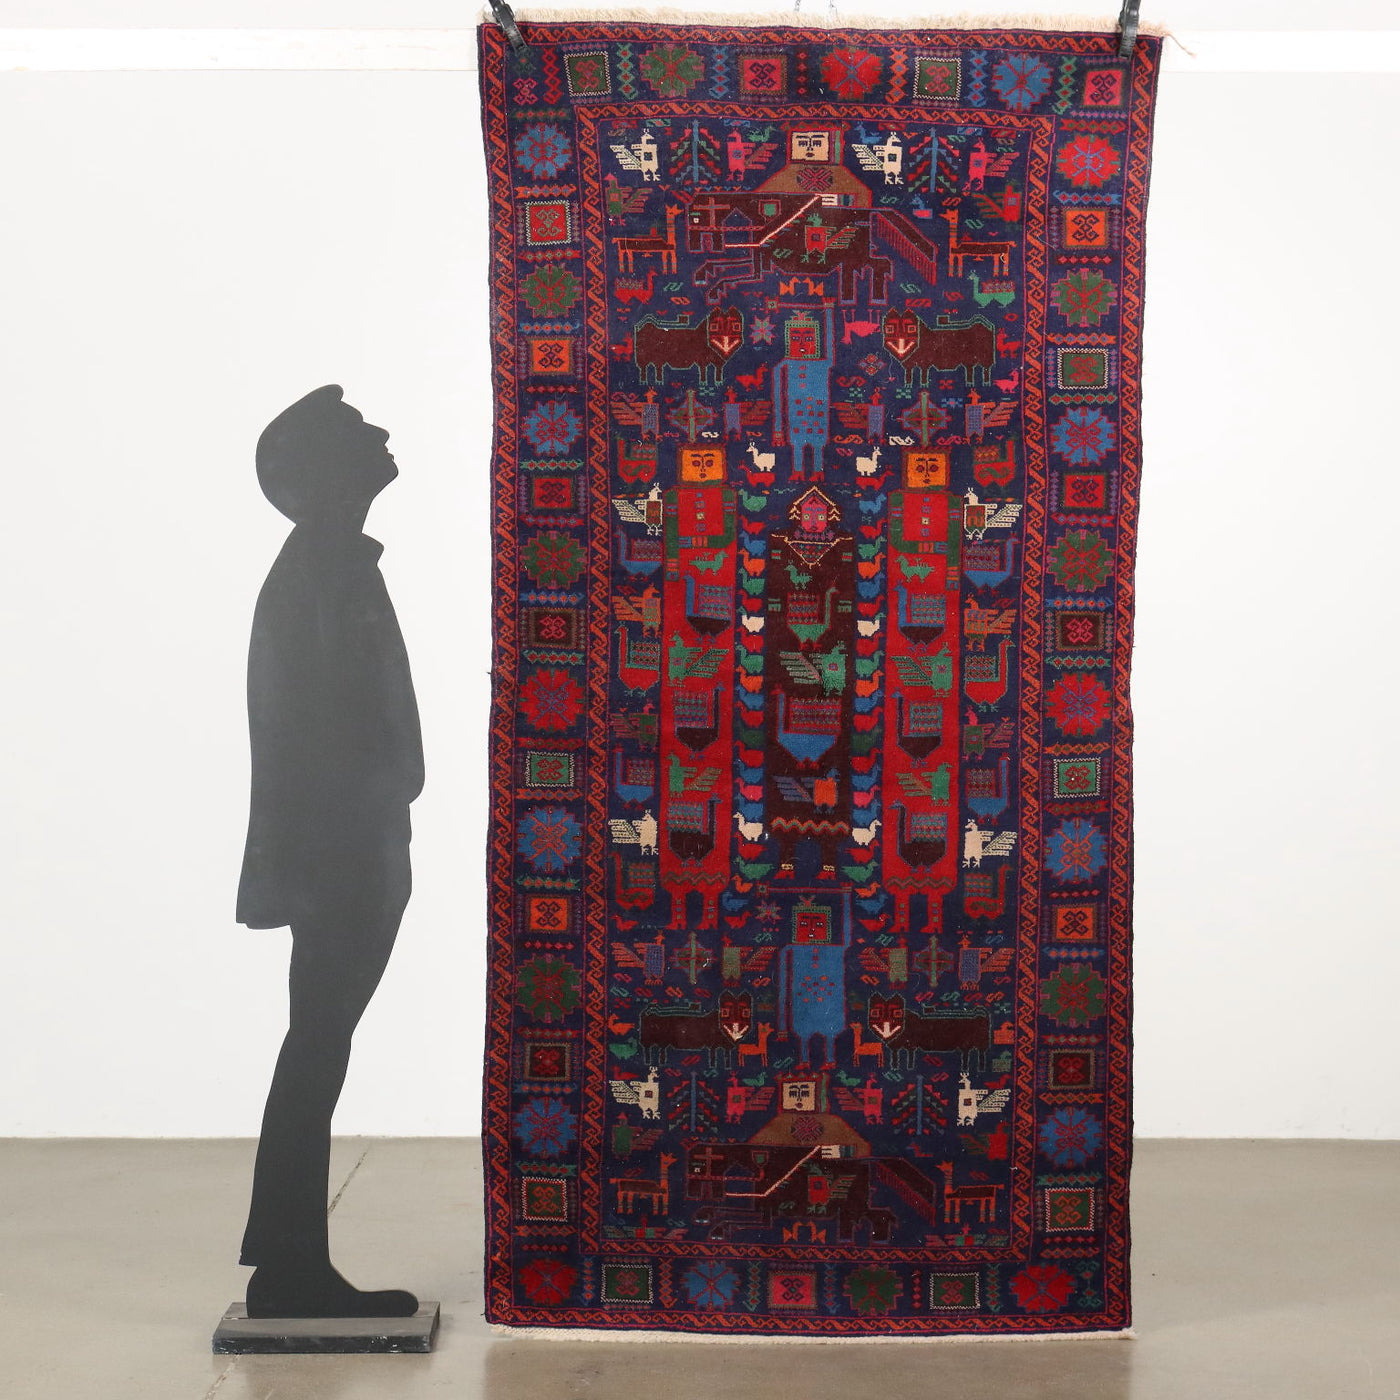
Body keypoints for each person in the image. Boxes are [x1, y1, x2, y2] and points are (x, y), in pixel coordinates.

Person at [236, 385, 423, 1318]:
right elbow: (307, 729)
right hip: (340, 853)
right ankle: (288, 1267)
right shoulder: (320, 570)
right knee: (316, 1048)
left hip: (350, 845)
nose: (379, 433)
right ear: (322, 471)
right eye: (355, 432)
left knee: (316, 1046)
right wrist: (371, 816)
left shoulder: (330, 565)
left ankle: (286, 1258)